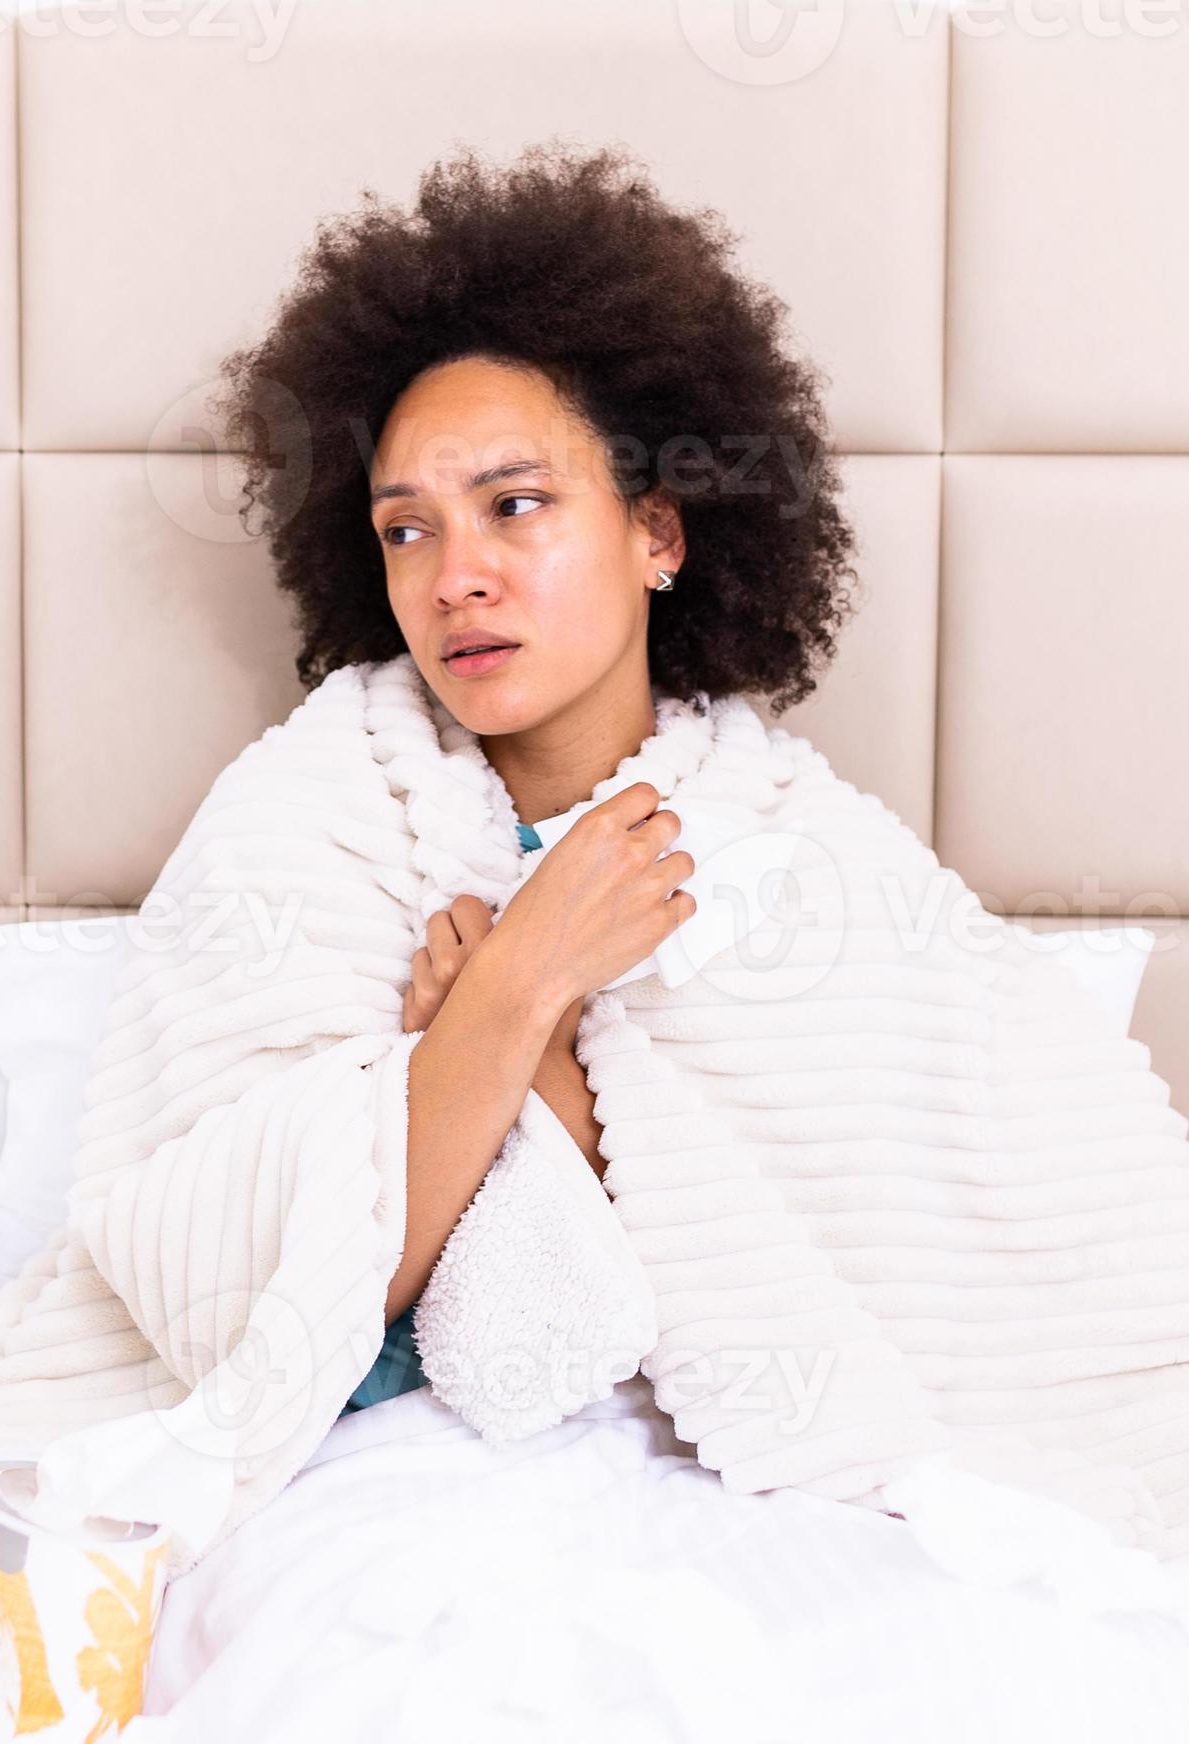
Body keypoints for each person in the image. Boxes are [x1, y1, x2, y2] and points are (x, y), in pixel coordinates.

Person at [207, 140, 857, 1414]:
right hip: (352, 1468)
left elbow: (811, 1313)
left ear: (656, 530)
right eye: (407, 529)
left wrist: (513, 1046)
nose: (456, 577)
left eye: (513, 505)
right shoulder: (303, 820)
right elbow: (276, 1315)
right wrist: (521, 981)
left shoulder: (802, 848)